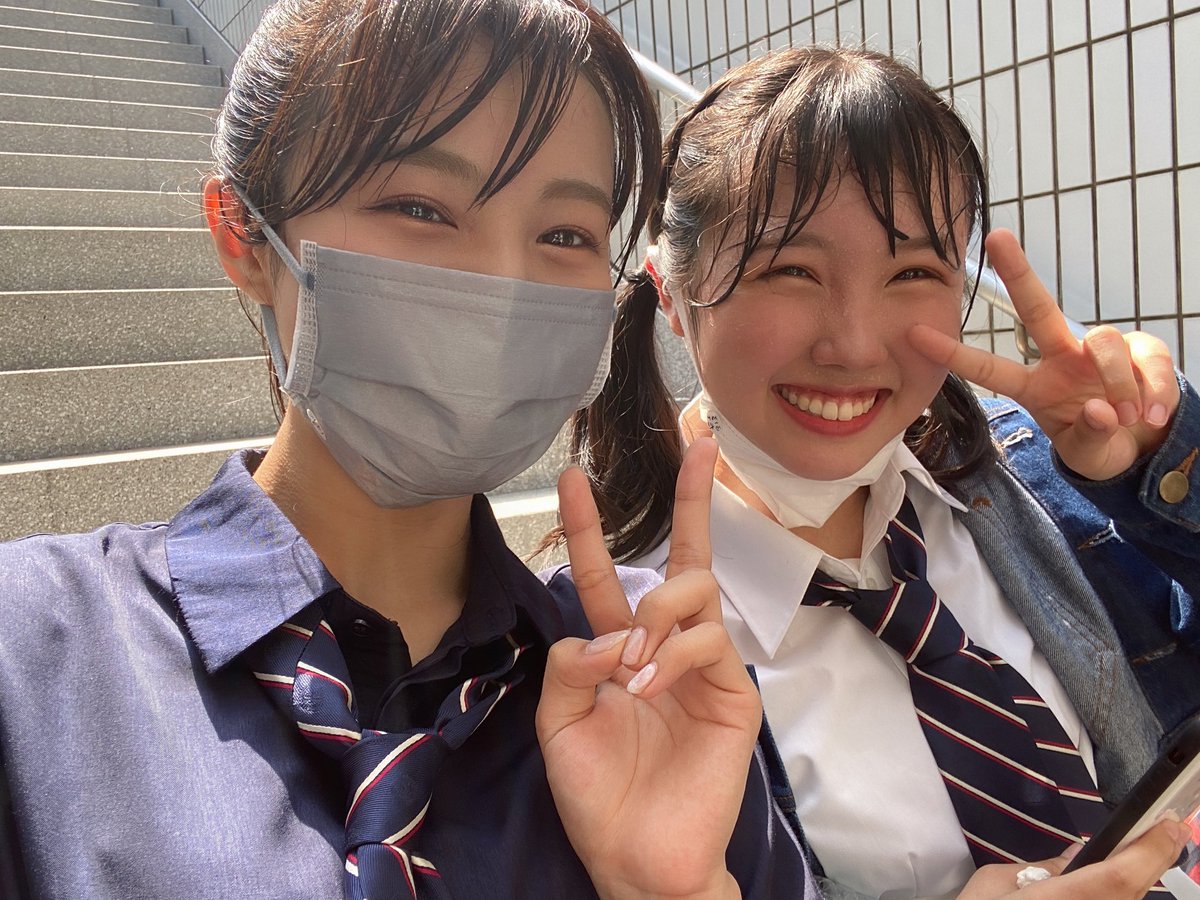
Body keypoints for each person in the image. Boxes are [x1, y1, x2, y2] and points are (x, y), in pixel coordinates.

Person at [0, 2, 818, 897]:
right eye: (419, 207)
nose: (502, 288)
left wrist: (680, 888)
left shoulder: (656, 675)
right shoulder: (34, 648)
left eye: (565, 235)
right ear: (243, 235)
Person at [564, 46, 1200, 899]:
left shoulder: (1029, 483)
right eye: (791, 269)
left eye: (914, 273)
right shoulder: (619, 651)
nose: (855, 346)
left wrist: (1156, 464)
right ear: (671, 289)